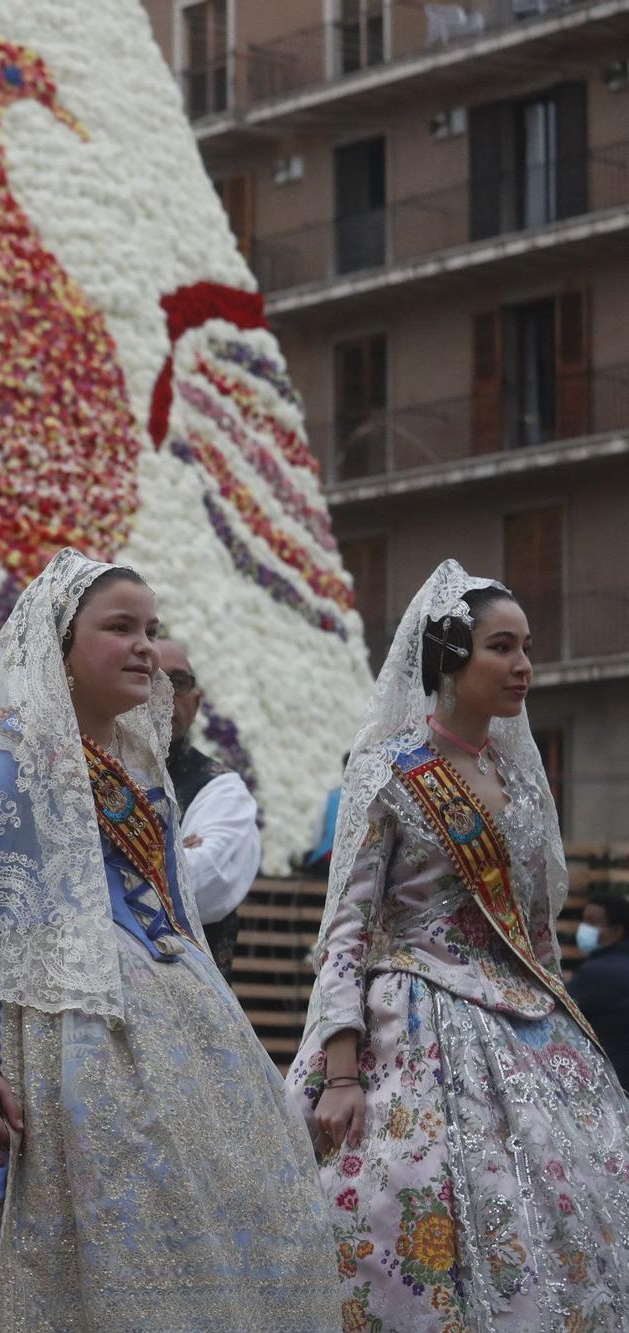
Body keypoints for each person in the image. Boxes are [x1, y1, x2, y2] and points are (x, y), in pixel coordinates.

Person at [0, 549, 336, 1331]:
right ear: (62, 648)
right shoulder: (7, 752)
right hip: (22, 1020)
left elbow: (166, 906)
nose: (143, 646)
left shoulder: (138, 765)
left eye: (151, 629)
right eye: (119, 628)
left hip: (151, 1011)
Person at [287, 560, 629, 1329]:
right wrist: (342, 1070)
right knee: (405, 1209)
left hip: (523, 1027)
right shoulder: (391, 770)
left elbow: (533, 930)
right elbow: (347, 926)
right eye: (501, 647)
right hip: (411, 1021)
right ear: (448, 659)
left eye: (527, 647)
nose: (523, 666)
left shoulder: (521, 778)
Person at [156, 636, 261, 977]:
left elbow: (201, 886)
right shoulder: (85, 773)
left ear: (196, 702)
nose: (165, 694)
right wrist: (170, 853)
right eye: (150, 678)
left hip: (191, 1000)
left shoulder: (220, 789)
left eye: (178, 683)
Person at [571, 893, 629, 1084]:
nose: (584, 929)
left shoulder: (597, 973)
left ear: (617, 931)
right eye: (584, 921)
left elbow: (565, 1017)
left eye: (592, 922)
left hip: (611, 1079)